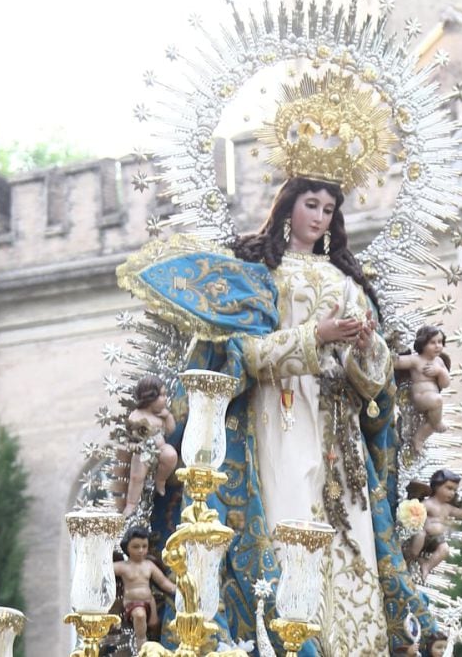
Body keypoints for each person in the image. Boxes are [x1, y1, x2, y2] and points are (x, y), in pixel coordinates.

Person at [118, 176, 435, 653]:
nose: (319, 217)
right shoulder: (259, 275)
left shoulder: (346, 283)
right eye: (311, 204)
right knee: (288, 522)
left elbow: (374, 386)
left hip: (337, 431)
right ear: (288, 207)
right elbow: (243, 355)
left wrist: (367, 348)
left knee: (350, 539)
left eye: (329, 209)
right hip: (278, 418)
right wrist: (316, 336)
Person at [114, 526, 176, 649]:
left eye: (144, 546)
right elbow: (104, 570)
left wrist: (179, 589)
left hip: (150, 602)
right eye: (136, 547)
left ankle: (155, 645)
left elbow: (163, 582)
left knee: (154, 625)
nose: (141, 550)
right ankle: (141, 643)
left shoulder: (149, 565)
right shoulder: (123, 567)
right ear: (127, 547)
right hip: (132, 604)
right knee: (140, 615)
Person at [123, 376, 177, 517]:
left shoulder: (160, 416)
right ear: (149, 397)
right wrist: (133, 445)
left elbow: (170, 431)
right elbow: (130, 435)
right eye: (162, 395)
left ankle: (160, 479)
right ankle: (131, 504)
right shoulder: (137, 415)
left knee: (171, 454)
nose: (165, 399)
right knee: (137, 476)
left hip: (160, 449)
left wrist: (169, 417)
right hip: (143, 451)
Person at [394, 325, 452, 452]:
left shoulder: (439, 362)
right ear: (422, 343)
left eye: (440, 342)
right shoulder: (416, 359)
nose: (437, 346)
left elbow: (445, 384)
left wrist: (441, 372)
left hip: (433, 400)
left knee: (432, 423)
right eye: (432, 342)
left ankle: (419, 438)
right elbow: (396, 362)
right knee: (438, 403)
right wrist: (392, 349)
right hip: (421, 398)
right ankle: (436, 423)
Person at [406, 469, 462, 582]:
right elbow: (415, 513)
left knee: (444, 549)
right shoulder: (428, 503)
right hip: (424, 533)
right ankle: (411, 558)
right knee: (419, 536)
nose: (452, 493)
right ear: (437, 486)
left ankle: (427, 566)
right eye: (449, 488)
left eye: (454, 490)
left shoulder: (447, 508)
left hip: (436, 538)